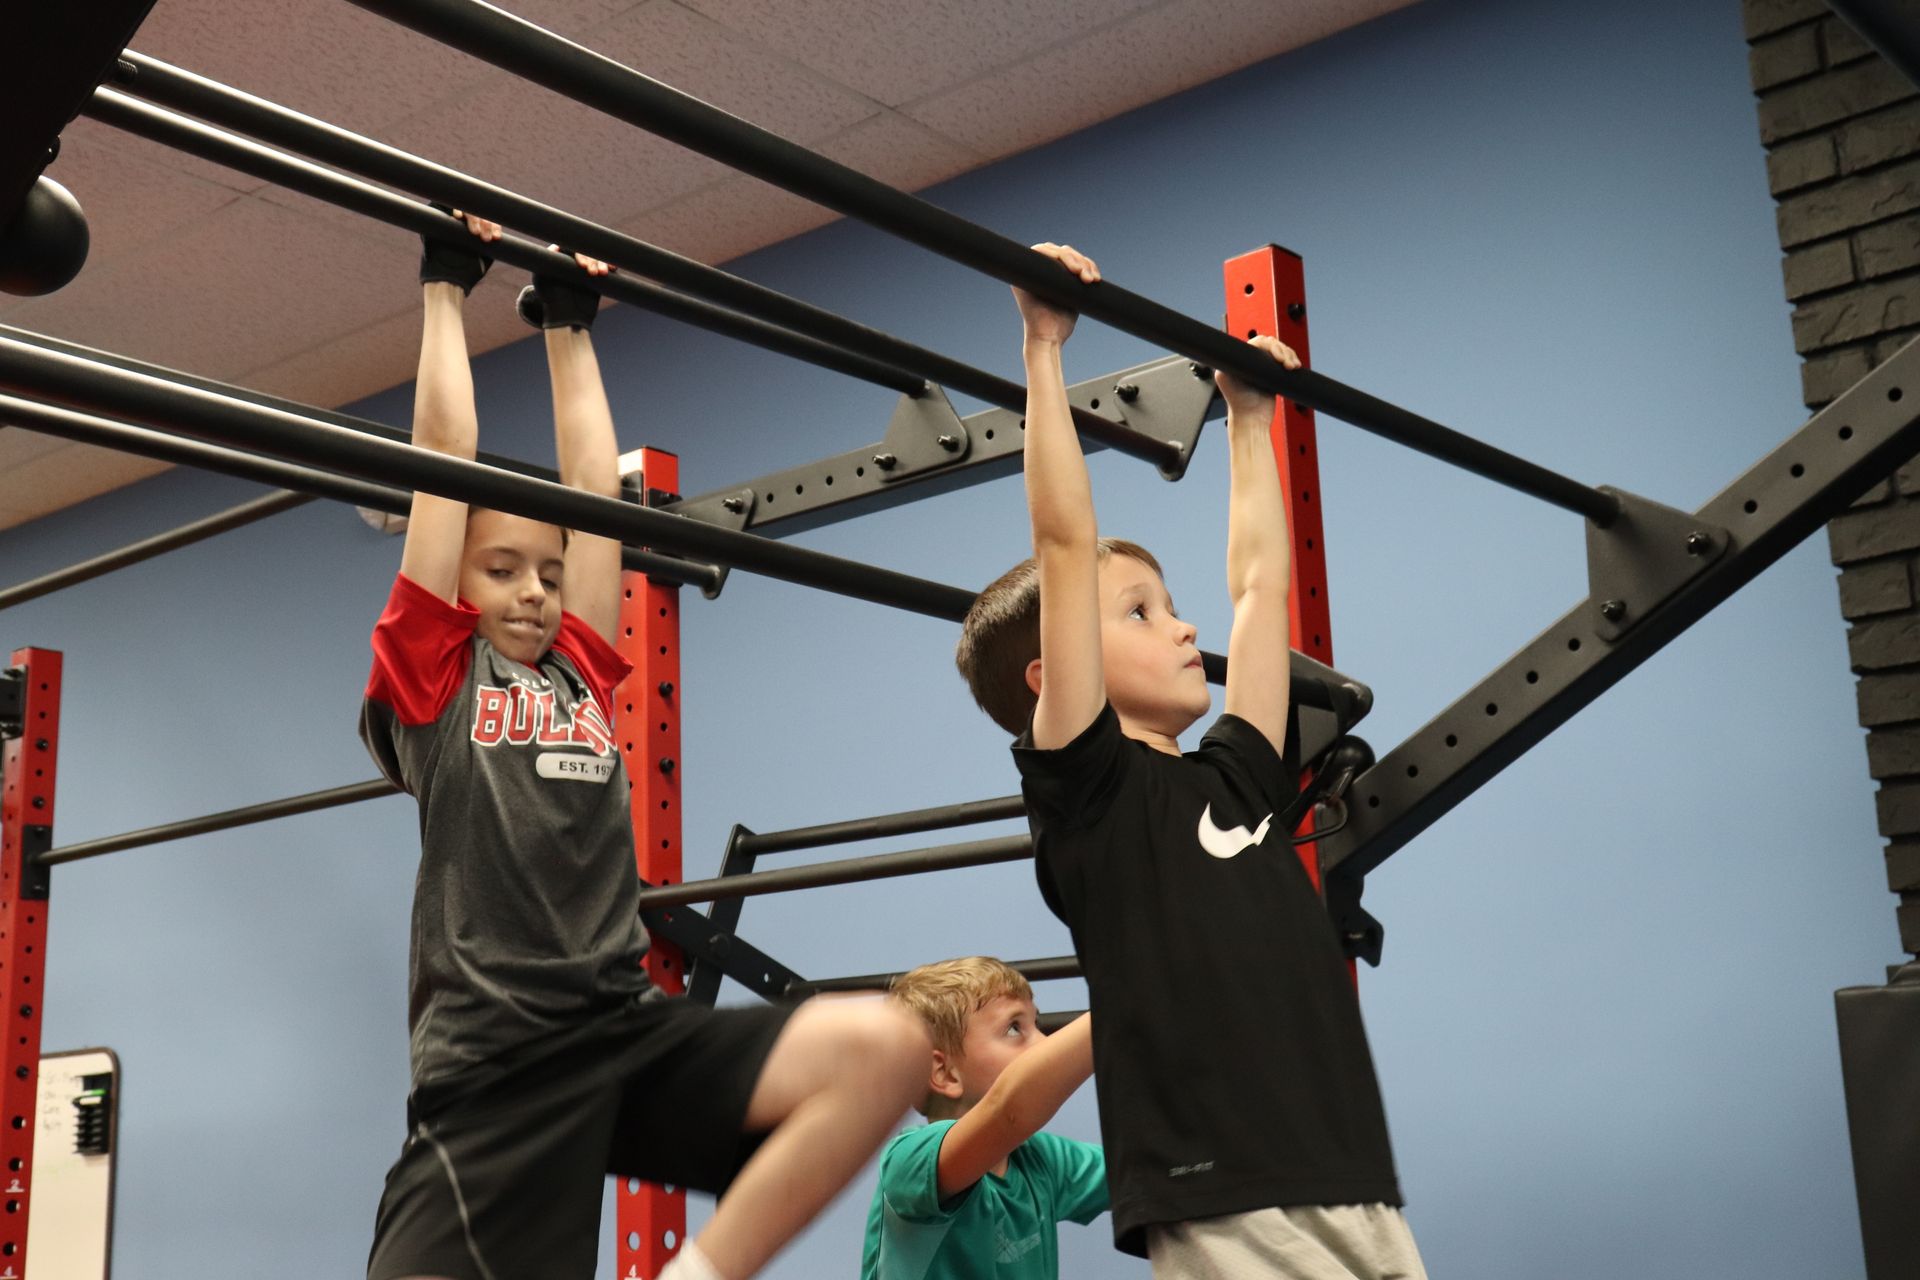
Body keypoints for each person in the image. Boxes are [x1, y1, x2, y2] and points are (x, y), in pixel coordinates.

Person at [360, 208, 928, 1280]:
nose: (533, 587)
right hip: (494, 1069)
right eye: (501, 570)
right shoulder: (434, 678)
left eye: (546, 568)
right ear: (453, 592)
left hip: (621, 1028)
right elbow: (445, 460)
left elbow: (596, 498)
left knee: (887, 1044)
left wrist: (568, 320)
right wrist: (447, 281)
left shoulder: (580, 663)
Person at [954, 243, 1425, 1279]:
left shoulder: (1238, 778)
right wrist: (1042, 345)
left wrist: (1250, 419)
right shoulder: (1090, 790)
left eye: (1168, 607)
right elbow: (1066, 547)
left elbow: (1261, 589)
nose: (1182, 630)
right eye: (1141, 612)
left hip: (1348, 1168)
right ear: (1053, 673)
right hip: (1217, 1182)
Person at [860, 956, 1106, 1279]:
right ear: (945, 1073)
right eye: (1015, 1028)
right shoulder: (909, 1162)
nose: (1044, 1043)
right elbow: (1010, 1110)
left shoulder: (1038, 1160)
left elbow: (1139, 1166)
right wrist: (1121, 1008)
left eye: (1037, 1023)